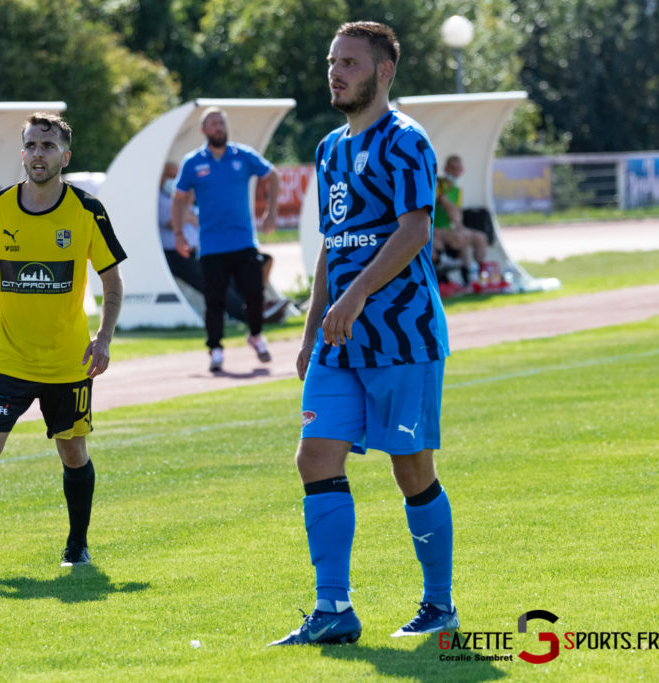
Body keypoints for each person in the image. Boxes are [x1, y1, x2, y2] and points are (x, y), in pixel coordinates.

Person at [269, 21, 456, 647]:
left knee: (411, 471)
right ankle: (333, 609)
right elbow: (332, 243)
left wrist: (355, 295)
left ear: (384, 72)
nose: (336, 72)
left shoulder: (405, 141)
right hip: (338, 339)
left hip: (402, 335)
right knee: (315, 457)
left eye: (349, 62)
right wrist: (309, 329)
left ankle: (439, 605)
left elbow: (414, 231)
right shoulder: (328, 149)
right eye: (332, 62)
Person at [0, 112, 126, 576]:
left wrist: (104, 337)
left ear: (65, 157)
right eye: (31, 145)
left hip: (67, 362)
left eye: (48, 146)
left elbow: (112, 283)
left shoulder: (86, 210)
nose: (39, 154)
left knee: (73, 452)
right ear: (22, 153)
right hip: (8, 359)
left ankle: (77, 547)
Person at [170, 106, 281, 373]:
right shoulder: (193, 162)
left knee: (255, 293)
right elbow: (179, 197)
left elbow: (272, 175)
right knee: (215, 301)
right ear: (204, 130)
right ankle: (216, 350)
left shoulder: (242, 155)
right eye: (213, 123)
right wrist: (178, 234)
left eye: (222, 123)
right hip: (211, 246)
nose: (219, 127)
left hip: (244, 241)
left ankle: (255, 336)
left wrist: (270, 211)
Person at [432, 155, 488, 286]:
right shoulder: (438, 184)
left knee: (480, 237)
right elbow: (439, 207)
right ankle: (466, 276)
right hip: (436, 229)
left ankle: (480, 273)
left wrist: (460, 227)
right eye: (453, 168)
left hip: (450, 229)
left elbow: (456, 214)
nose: (455, 172)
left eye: (458, 169)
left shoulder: (457, 191)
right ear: (446, 169)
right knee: (460, 238)